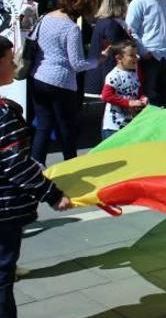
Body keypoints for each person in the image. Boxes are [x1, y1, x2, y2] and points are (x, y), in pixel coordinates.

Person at [0, 35, 72, 318]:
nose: (15, 64)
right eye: (9, 60)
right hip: (4, 208)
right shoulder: (3, 114)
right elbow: (13, 163)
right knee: (3, 277)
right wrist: (52, 194)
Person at [30, 0, 105, 165]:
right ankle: (71, 168)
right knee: (67, 129)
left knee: (43, 127)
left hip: (38, 77)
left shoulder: (45, 17)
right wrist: (98, 60)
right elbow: (77, 64)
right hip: (61, 82)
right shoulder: (71, 28)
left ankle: (35, 170)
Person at [84, 0, 131, 95]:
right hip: (106, 75)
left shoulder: (100, 22)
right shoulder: (112, 25)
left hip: (96, 73)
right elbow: (113, 50)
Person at [100, 41, 147, 140]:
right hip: (113, 127)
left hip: (130, 124)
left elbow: (138, 91)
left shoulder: (135, 73)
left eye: (136, 55)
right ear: (119, 58)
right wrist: (129, 103)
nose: (136, 58)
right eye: (131, 55)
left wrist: (143, 98)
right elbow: (106, 95)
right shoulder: (114, 75)